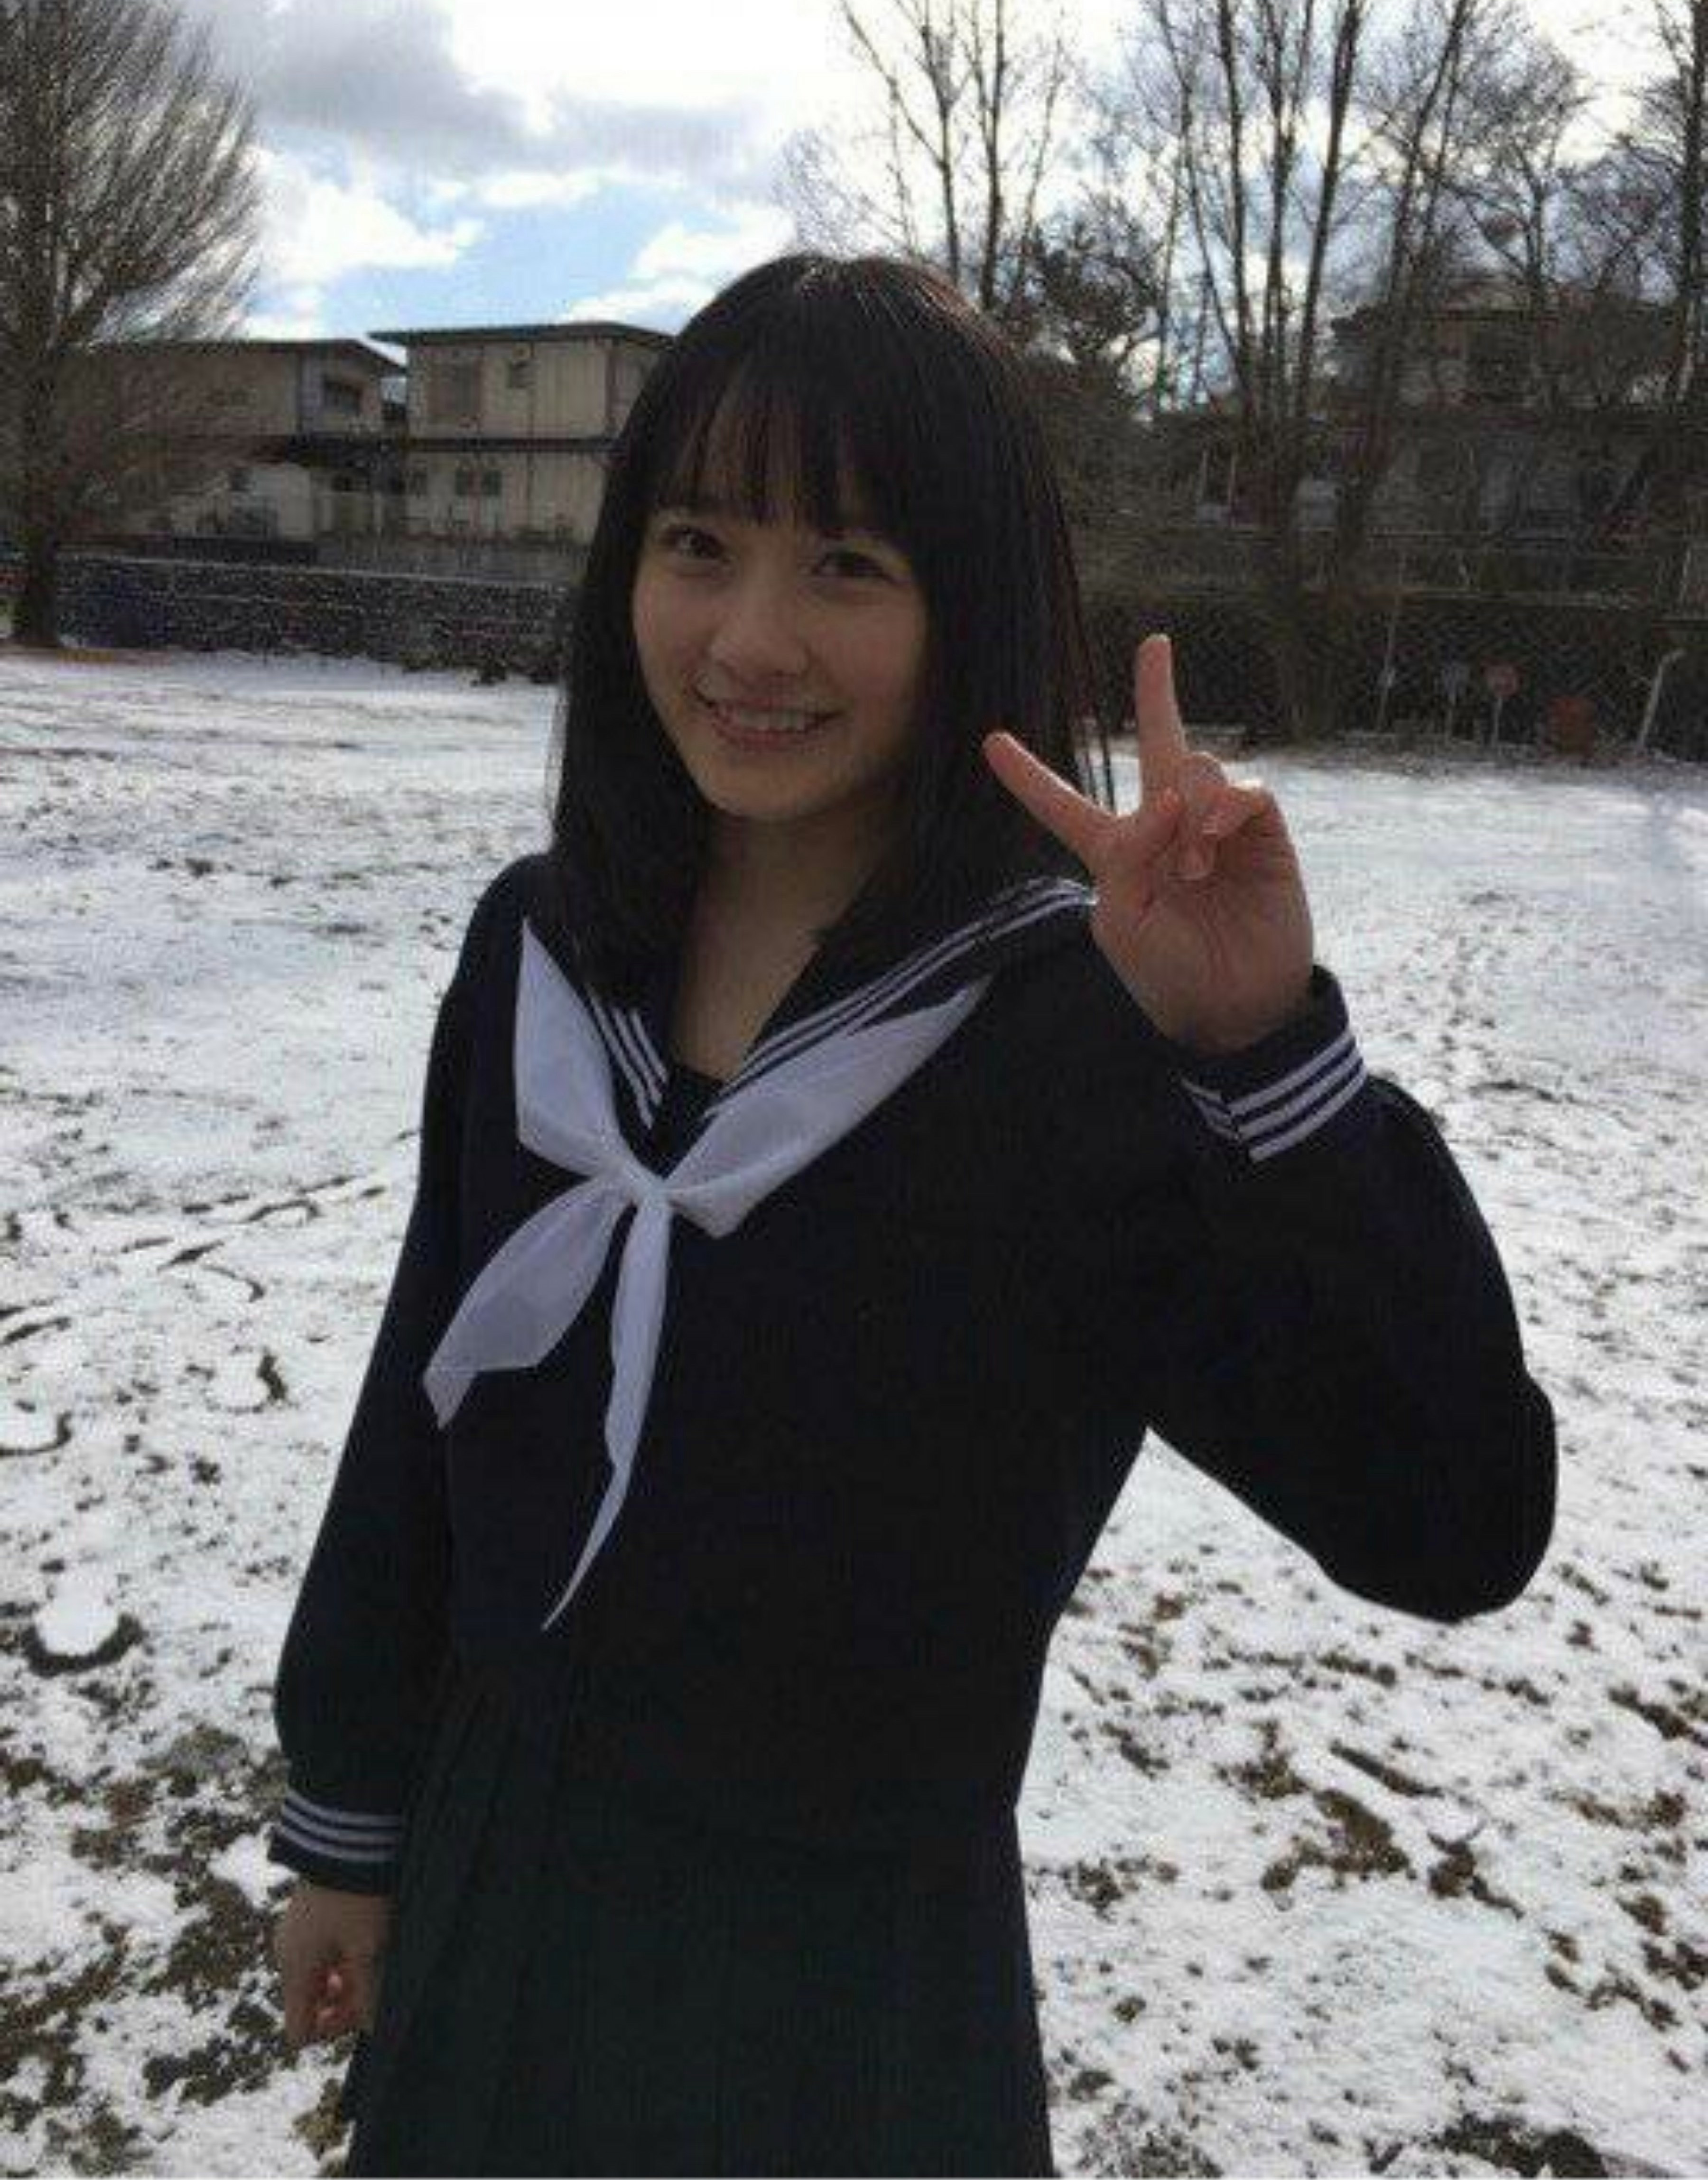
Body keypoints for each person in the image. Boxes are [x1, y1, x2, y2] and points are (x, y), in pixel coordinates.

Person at [266, 251, 1558, 2177]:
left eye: (848, 567)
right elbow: (421, 1409)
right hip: (497, 1893)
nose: (750, 638)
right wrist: (353, 1820)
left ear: (971, 609)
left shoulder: (1071, 1038)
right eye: (699, 545)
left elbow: (1452, 1520)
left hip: (842, 1994)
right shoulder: (541, 954)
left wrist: (1265, 1056)